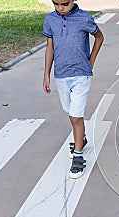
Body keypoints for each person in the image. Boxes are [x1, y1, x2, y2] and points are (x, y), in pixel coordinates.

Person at [42, 0, 104, 178]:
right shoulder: (50, 19)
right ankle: (81, 139)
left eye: (65, 4)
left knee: (76, 116)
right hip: (61, 75)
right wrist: (46, 74)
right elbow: (50, 47)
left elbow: (99, 37)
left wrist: (91, 61)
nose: (60, 8)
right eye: (56, 4)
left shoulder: (84, 18)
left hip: (80, 75)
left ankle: (78, 156)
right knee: (69, 112)